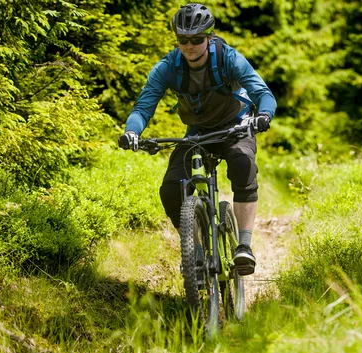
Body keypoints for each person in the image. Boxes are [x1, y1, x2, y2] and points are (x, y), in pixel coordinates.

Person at [118, 3, 276, 276]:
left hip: (235, 127)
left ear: (209, 37)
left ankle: (245, 247)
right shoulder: (168, 67)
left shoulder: (229, 59)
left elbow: (263, 93)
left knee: (242, 165)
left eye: (197, 39)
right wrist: (133, 132)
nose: (189, 45)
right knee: (170, 190)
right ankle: (195, 249)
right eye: (183, 39)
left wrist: (262, 115)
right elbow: (144, 107)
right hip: (198, 133)